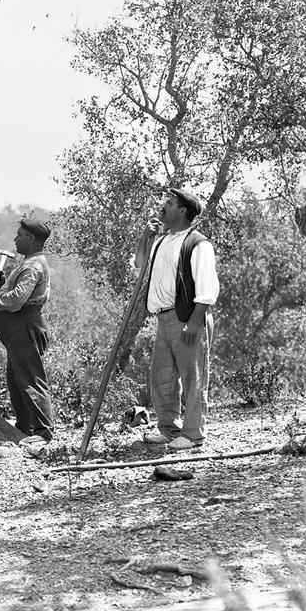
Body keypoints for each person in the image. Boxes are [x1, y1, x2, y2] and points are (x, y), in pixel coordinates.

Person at [136, 187, 218, 451]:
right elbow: (140, 264)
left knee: (193, 378)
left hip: (187, 318)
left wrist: (194, 322)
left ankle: (193, 435)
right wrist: (145, 237)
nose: (164, 207)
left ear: (183, 210)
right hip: (163, 319)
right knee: (163, 378)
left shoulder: (198, 244)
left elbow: (207, 287)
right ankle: (169, 430)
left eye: (170, 204)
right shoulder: (161, 242)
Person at [0, 220, 54, 447]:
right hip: (18, 331)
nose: (15, 239)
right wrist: (4, 283)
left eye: (20, 235)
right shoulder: (29, 263)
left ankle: (44, 432)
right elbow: (20, 292)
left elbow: (17, 300)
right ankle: (26, 429)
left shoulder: (33, 266)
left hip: (25, 327)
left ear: (31, 239)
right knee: (17, 380)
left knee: (30, 379)